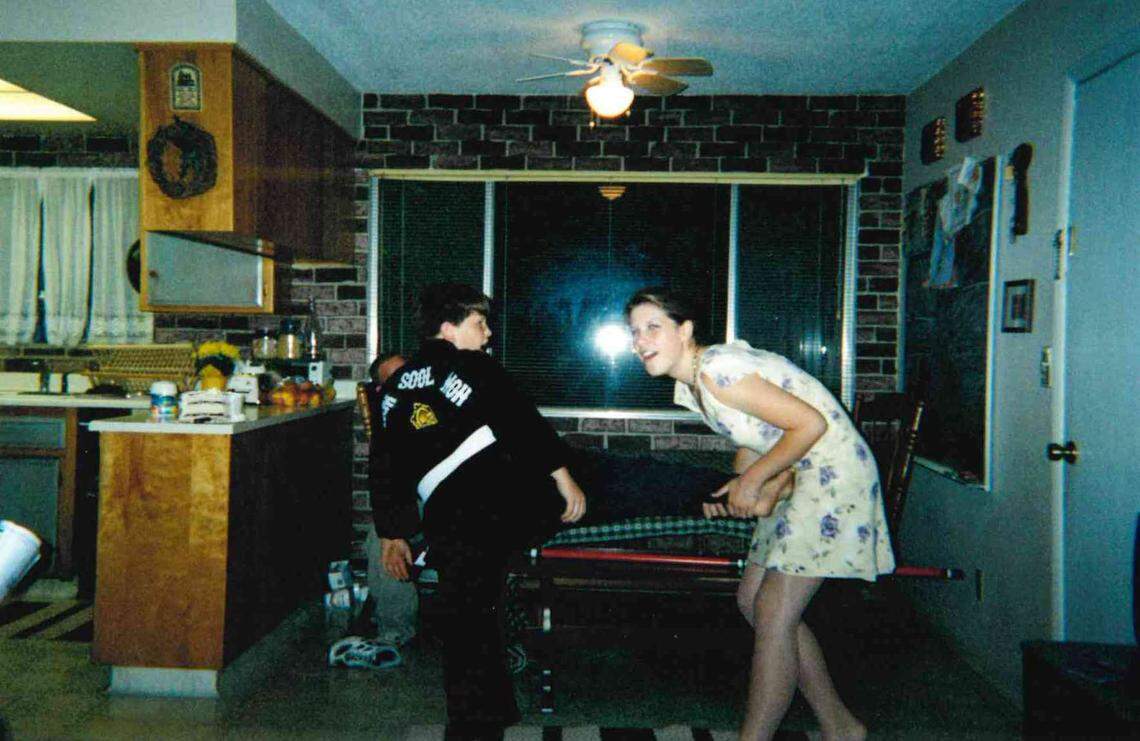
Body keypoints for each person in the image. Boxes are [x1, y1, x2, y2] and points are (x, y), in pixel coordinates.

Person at [625, 287, 893, 741]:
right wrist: (745, 483)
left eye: (653, 327)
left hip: (832, 474)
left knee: (773, 610)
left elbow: (811, 425)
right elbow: (755, 433)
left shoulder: (717, 369)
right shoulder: (693, 384)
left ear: (685, 330)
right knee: (755, 602)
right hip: (799, 473)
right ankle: (840, 725)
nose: (640, 340)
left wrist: (755, 484)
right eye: (634, 331)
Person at [371, 283, 586, 740]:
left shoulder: (394, 388)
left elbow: (385, 461)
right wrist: (564, 478)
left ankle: (482, 716)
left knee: (467, 616)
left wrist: (392, 532)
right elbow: (520, 420)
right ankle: (477, 723)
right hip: (489, 512)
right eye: (479, 324)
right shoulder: (473, 366)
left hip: (448, 521)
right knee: (472, 617)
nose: (488, 335)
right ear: (448, 329)